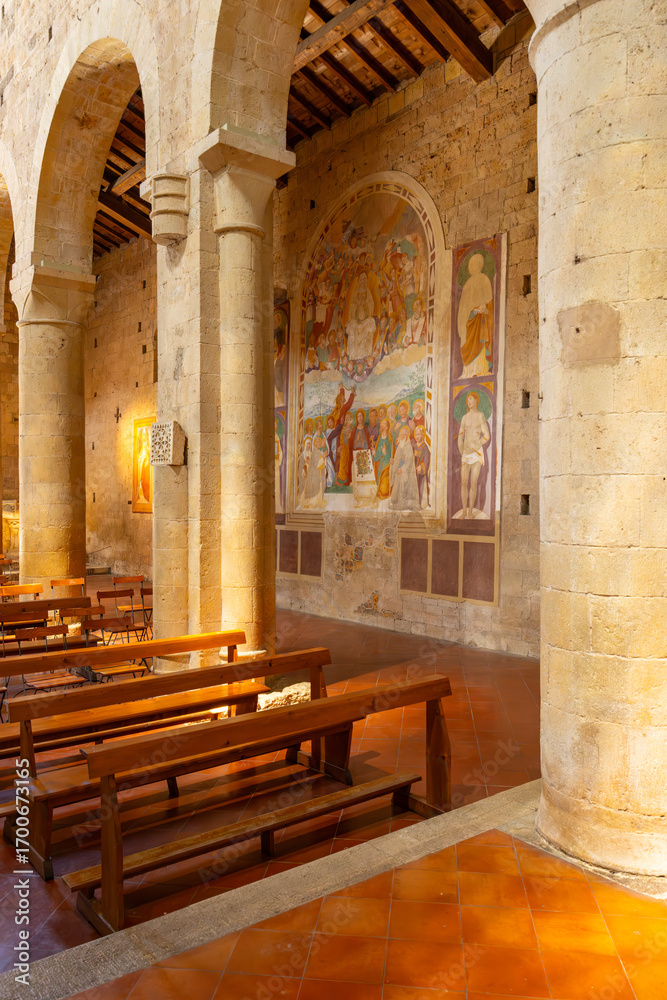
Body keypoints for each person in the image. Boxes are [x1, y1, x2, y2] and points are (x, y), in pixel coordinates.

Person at [457, 253, 494, 377]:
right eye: (472, 264)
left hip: (480, 318)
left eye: (477, 264)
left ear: (481, 265)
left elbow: (490, 301)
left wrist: (485, 307)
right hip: (470, 319)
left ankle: (481, 370)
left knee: (480, 342)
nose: (474, 266)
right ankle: (468, 372)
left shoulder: (484, 279)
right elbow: (463, 306)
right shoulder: (467, 284)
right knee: (467, 342)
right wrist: (466, 315)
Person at [457, 391, 490, 518]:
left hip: (476, 453)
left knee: (473, 482)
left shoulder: (480, 416)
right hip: (465, 454)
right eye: (467, 400)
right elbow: (460, 436)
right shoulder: (464, 417)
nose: (469, 401)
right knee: (464, 482)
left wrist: (477, 444)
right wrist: (461, 449)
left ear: (476, 400)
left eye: (471, 399)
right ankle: (464, 510)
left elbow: (486, 436)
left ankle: (470, 511)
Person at [390, 425, 420, 510]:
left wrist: (402, 469)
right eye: (401, 434)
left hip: (407, 471)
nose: (402, 436)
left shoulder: (408, 446)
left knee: (402, 480)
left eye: (404, 434)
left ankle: (403, 502)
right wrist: (393, 462)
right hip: (399, 469)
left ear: (407, 435)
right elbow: (397, 457)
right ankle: (396, 501)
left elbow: (409, 462)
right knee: (397, 480)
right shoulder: (400, 445)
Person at [374, 419, 393, 500]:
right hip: (379, 463)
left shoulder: (389, 438)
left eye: (384, 423)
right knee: (378, 487)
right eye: (381, 423)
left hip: (387, 465)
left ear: (387, 427)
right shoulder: (379, 437)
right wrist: (375, 453)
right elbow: (377, 452)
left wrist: (385, 453)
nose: (382, 424)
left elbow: (392, 454)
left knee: (384, 491)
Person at [412, 425, 431, 509]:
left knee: (421, 488)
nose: (417, 436)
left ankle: (420, 504)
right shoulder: (414, 447)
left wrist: (421, 467)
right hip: (414, 472)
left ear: (423, 436)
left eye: (419, 434)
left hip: (421, 474)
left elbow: (426, 460)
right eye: (416, 434)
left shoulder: (425, 447)